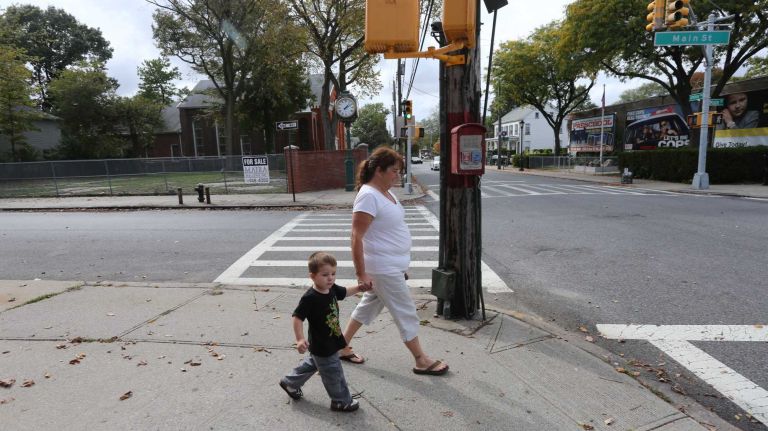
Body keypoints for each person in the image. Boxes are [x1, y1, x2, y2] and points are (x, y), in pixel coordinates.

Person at [337, 146, 449, 376]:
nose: (398, 175)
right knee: (405, 311)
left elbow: (390, 229)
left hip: (391, 267)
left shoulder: (386, 193)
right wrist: (361, 274)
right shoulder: (368, 195)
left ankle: (341, 347)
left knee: (368, 306)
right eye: (394, 171)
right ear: (379, 170)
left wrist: (400, 267)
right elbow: (356, 237)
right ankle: (421, 359)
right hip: (382, 267)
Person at [279, 252, 371, 412]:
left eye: (333, 274)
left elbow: (345, 292)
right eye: (325, 275)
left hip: (331, 340)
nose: (330, 278)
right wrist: (300, 339)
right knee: (333, 373)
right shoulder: (310, 298)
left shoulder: (332, 289)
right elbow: (297, 318)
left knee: (313, 363)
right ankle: (341, 401)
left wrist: (359, 288)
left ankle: (290, 382)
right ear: (312, 276)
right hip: (322, 344)